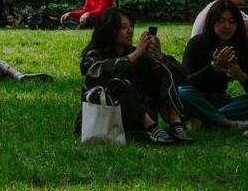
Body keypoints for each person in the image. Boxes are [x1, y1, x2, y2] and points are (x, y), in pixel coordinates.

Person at [78, 9, 190, 143]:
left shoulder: (133, 52)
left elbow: (183, 76)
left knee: (161, 70)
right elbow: (95, 71)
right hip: (106, 116)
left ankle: (175, 124)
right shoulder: (95, 53)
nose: (129, 31)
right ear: (108, 30)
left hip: (136, 113)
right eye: (123, 27)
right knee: (119, 83)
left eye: (131, 26)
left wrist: (159, 57)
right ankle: (151, 128)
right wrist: (134, 56)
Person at [178, 1, 248, 130]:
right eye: (221, 21)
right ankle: (228, 123)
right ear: (212, 22)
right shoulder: (197, 43)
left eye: (232, 22)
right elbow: (185, 81)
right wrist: (212, 68)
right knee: (181, 92)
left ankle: (208, 119)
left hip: (221, 101)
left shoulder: (242, 47)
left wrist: (240, 75)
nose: (227, 26)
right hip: (197, 97)